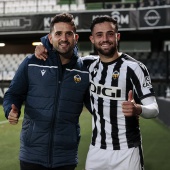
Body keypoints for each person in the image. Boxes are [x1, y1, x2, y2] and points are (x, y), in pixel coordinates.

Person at [35, 15, 159, 170]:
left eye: (110, 34)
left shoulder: (134, 68)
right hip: (97, 150)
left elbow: (154, 109)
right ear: (92, 39)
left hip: (127, 150)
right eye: (99, 35)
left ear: (117, 36)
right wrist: (43, 46)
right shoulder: (87, 65)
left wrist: (138, 109)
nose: (105, 39)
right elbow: (63, 52)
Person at [3, 13, 91, 170]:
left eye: (68, 34)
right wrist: (11, 108)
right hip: (32, 155)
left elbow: (95, 106)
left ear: (75, 38)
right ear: (50, 38)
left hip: (66, 157)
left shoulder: (84, 71)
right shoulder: (32, 63)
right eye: (58, 33)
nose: (63, 38)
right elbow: (13, 94)